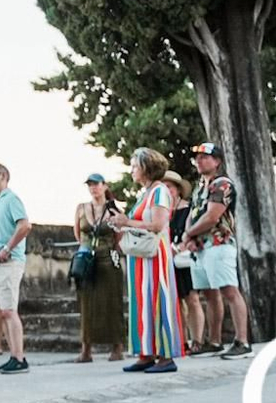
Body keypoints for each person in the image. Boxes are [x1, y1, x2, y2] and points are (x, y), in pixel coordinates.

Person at [110, 147, 184, 372]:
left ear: (146, 167)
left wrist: (127, 223)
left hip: (156, 255)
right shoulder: (146, 193)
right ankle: (147, 352)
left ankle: (165, 356)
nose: (131, 170)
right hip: (142, 257)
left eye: (135, 166)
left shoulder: (160, 191)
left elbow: (158, 225)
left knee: (158, 299)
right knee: (142, 301)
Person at [183, 143, 252, 358]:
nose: (200, 160)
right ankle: (214, 341)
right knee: (210, 294)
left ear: (217, 161)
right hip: (201, 248)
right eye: (198, 157)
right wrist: (189, 236)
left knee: (230, 291)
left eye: (205, 157)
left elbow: (212, 216)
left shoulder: (222, 184)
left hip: (219, 244)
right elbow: (192, 214)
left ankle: (242, 341)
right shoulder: (199, 186)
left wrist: (189, 234)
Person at [0, 162, 31, 374]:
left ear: (3, 176)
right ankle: (13, 356)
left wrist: (8, 248)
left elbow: (25, 225)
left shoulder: (11, 199)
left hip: (7, 263)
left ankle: (19, 358)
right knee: (1, 312)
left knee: (9, 311)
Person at [73, 173, 126, 364]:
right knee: (87, 304)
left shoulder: (113, 209)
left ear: (104, 186)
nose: (93, 188)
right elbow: (78, 234)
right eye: (90, 185)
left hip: (108, 257)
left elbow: (118, 236)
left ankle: (117, 345)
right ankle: (86, 348)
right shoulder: (81, 208)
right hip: (87, 259)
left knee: (113, 302)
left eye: (96, 184)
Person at [165, 172, 205, 353]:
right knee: (175, 301)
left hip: (185, 257)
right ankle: (181, 340)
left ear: (178, 189)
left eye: (170, 187)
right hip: (167, 259)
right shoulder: (164, 211)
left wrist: (179, 247)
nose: (168, 191)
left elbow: (193, 231)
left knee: (192, 299)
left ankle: (197, 340)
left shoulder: (188, 209)